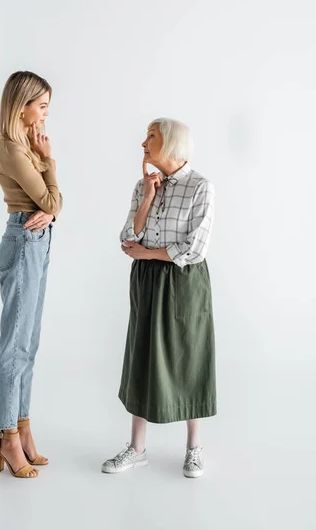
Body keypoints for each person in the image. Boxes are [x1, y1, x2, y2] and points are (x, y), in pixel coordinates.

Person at [102, 118, 216, 478]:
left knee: (189, 353)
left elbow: (194, 249)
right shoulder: (143, 186)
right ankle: (137, 448)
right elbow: (126, 237)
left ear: (171, 144)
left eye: (151, 137)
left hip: (184, 282)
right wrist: (149, 197)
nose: (143, 144)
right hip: (147, 281)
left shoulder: (201, 187)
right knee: (142, 354)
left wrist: (148, 253)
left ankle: (194, 449)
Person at [0, 71, 63, 479]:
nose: (46, 115)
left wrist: (51, 209)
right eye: (42, 106)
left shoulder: (26, 147)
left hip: (38, 240)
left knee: (29, 344)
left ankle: (23, 426)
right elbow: (51, 199)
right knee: (14, 347)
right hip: (24, 239)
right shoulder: (11, 151)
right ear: (21, 109)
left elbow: (52, 205)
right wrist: (50, 162)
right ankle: (7, 436)